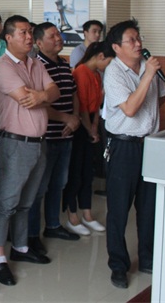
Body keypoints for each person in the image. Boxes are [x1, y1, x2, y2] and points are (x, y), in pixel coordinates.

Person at [0, 15, 59, 287]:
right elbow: (24, 98)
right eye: (23, 33)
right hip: (15, 144)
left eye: (30, 32)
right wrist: (42, 96)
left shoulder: (35, 63)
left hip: (39, 143)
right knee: (6, 203)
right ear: (8, 38)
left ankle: (20, 247)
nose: (30, 37)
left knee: (27, 201)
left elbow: (53, 92)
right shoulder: (2, 67)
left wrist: (41, 95)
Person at [102, 20, 165, 289]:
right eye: (131, 40)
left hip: (150, 144)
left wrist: (149, 76)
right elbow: (129, 109)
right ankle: (118, 265)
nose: (138, 43)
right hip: (123, 146)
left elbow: (161, 97)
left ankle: (148, 258)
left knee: (149, 206)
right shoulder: (114, 73)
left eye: (139, 38)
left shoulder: (148, 67)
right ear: (117, 47)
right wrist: (148, 76)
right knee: (119, 208)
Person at [27, 22, 82, 254]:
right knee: (39, 187)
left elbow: (74, 94)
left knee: (59, 183)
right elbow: (38, 104)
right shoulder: (36, 66)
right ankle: (31, 234)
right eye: (52, 36)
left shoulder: (64, 63)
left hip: (66, 135)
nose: (58, 39)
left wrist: (75, 118)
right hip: (46, 136)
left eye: (58, 34)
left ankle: (53, 225)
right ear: (39, 43)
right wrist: (66, 118)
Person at [63, 41, 111, 236]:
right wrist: (90, 129)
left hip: (91, 124)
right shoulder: (80, 72)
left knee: (87, 173)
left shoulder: (96, 74)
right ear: (100, 56)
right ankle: (72, 216)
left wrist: (95, 126)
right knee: (76, 173)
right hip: (80, 127)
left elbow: (97, 105)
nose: (108, 66)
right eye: (108, 62)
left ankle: (87, 214)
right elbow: (81, 107)